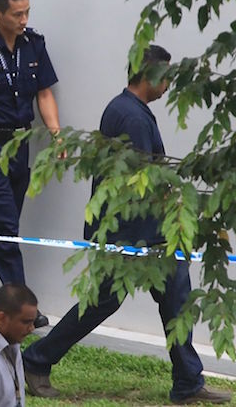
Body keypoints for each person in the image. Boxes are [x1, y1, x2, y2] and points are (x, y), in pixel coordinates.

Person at [22, 45, 231, 405]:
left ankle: (187, 382)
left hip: (147, 233)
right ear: (149, 75)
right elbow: (142, 183)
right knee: (104, 302)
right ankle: (36, 360)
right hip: (130, 235)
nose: (168, 85)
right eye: (165, 76)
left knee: (176, 299)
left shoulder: (128, 109)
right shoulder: (131, 117)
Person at [0, 0, 59, 327]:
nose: (24, 20)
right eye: (17, 14)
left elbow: (44, 92)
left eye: (27, 12)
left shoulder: (34, 45)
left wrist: (56, 134)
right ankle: (25, 308)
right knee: (6, 230)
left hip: (20, 146)